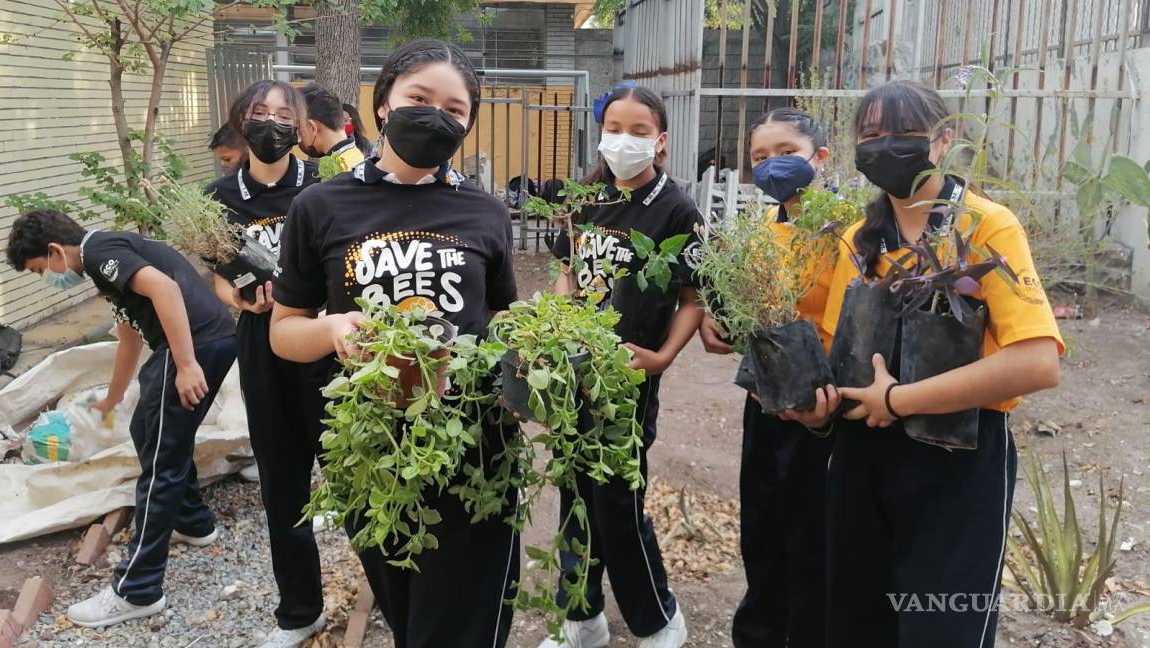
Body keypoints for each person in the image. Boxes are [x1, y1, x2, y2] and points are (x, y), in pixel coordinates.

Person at [269, 39, 520, 648]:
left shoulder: (486, 213)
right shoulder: (321, 205)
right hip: (373, 447)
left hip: (475, 442)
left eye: (455, 109)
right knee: (406, 599)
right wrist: (332, 329)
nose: (436, 115)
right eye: (419, 98)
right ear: (383, 105)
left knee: (471, 607)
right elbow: (283, 332)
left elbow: (506, 323)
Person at [816, 80, 1063, 648]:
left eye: (903, 134)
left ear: (944, 141)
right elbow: (838, 355)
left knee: (941, 628)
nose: (885, 148)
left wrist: (898, 399)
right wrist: (812, 403)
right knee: (857, 623)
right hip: (861, 461)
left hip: (958, 462)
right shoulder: (857, 240)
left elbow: (1037, 362)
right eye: (870, 136)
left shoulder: (984, 227)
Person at [5, 209, 236, 628]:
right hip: (198, 344)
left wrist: (185, 364)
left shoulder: (100, 254)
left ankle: (137, 590)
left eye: (41, 270)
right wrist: (111, 400)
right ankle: (192, 521)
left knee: (162, 464)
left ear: (56, 251)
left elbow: (165, 289)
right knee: (145, 429)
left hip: (194, 346)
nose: (47, 279)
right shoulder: (106, 259)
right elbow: (129, 333)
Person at [543, 85, 701, 648]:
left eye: (638, 131)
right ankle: (582, 618)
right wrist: (560, 321)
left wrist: (660, 358)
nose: (624, 140)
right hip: (575, 372)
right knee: (573, 492)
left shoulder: (675, 207)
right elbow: (566, 269)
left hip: (629, 379)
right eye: (614, 127)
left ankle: (658, 619)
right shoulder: (586, 198)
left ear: (660, 142)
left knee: (616, 498)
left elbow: (692, 296)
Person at [697, 108, 834, 648]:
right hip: (764, 400)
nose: (772, 165)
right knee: (762, 525)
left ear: (819, 158)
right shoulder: (760, 234)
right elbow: (742, 315)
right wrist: (721, 317)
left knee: (811, 535)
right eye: (760, 157)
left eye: (786, 153)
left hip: (825, 406)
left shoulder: (846, 231)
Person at [203, 80, 326, 648]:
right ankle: (300, 610)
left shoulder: (326, 188)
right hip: (263, 347)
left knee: (357, 471)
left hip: (326, 345)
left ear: (301, 127)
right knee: (281, 482)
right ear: (241, 121)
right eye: (260, 113)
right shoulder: (218, 199)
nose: (272, 124)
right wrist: (238, 299)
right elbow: (220, 278)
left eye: (284, 115)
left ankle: (398, 597)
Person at [300, 83, 366, 174]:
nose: (298, 138)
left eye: (298, 129)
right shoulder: (356, 159)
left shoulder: (342, 172)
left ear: (312, 128)